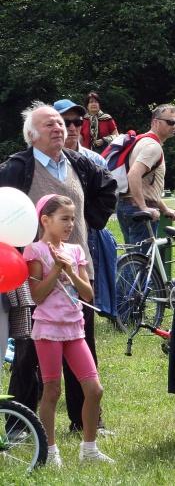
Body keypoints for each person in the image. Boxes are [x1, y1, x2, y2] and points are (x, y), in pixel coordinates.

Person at [0, 102, 116, 432]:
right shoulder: (16, 168)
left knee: (82, 345)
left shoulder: (80, 163)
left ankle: (84, 422)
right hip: (33, 274)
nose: (59, 128)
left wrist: (90, 219)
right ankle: (20, 426)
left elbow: (108, 189)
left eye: (62, 124)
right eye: (51, 124)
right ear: (32, 135)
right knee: (29, 354)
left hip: (78, 269)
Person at [25, 194, 113, 465]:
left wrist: (71, 269)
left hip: (74, 328)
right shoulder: (35, 251)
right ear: (45, 220)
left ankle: (89, 449)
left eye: (73, 219)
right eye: (64, 218)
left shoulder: (75, 250)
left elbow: (87, 294)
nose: (70, 224)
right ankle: (50, 451)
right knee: (52, 390)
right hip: (48, 328)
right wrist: (55, 270)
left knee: (94, 389)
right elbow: (37, 295)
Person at [116, 104, 175, 245]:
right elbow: (133, 175)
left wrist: (164, 209)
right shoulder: (153, 147)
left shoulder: (141, 140)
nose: (174, 126)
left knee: (133, 259)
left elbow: (148, 187)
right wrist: (144, 207)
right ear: (156, 122)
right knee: (141, 263)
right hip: (139, 210)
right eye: (170, 122)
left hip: (125, 205)